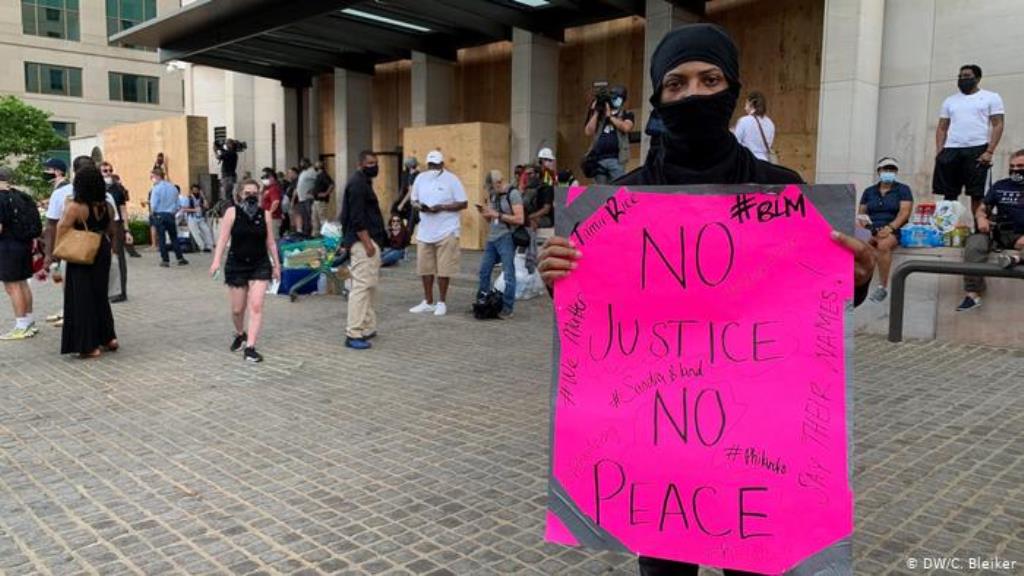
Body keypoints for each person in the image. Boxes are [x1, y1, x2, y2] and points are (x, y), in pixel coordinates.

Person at [538, 24, 877, 576]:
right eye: (676, 84)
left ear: (733, 90)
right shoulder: (619, 202)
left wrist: (856, 277)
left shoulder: (784, 191)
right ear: (659, 99)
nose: (693, 94)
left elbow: (810, 307)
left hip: (758, 452)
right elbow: (594, 319)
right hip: (659, 460)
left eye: (709, 79)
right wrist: (561, 278)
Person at [209, 179, 280, 363]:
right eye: (247, 193)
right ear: (239, 194)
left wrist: (277, 265)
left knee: (256, 306)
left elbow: (270, 241)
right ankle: (240, 334)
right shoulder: (231, 213)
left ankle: (250, 347)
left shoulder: (265, 214)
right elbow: (223, 239)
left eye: (254, 193)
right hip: (237, 264)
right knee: (237, 309)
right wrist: (216, 260)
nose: (251, 196)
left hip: (260, 264)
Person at [56, 166, 118, 358]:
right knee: (100, 295)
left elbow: (62, 228)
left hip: (81, 253)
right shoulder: (107, 206)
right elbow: (111, 229)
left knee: (81, 298)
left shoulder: (76, 207)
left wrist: (56, 256)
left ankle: (89, 345)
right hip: (101, 250)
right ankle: (108, 337)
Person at [956, 149, 1024, 312]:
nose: (1015, 169)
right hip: (999, 232)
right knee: (974, 243)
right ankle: (973, 294)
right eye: (1012, 166)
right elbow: (983, 207)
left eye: (1020, 166)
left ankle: (1016, 259)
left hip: (1021, 235)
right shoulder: (1000, 185)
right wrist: (981, 218)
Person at [933, 64, 1005, 216]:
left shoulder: (991, 97)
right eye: (960, 77)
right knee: (949, 195)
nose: (962, 80)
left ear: (977, 78)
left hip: (977, 149)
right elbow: (941, 127)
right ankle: (948, 231)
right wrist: (940, 151)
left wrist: (989, 151)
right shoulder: (950, 101)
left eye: (966, 76)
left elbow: (998, 124)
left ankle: (979, 232)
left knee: (977, 195)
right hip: (951, 150)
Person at [410, 150, 468, 317]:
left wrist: (441, 207)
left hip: (446, 229)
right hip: (425, 229)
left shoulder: (452, 179)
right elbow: (414, 199)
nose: (433, 167)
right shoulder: (420, 178)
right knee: (424, 267)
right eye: (430, 165)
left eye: (435, 165)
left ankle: (442, 302)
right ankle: (428, 301)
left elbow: (463, 203)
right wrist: (419, 206)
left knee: (444, 268)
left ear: (442, 164)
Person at [339, 151, 386, 350]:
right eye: (370, 163)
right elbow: (356, 217)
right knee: (361, 288)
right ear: (360, 164)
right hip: (363, 242)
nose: (374, 166)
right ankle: (354, 332)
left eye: (376, 163)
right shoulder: (358, 185)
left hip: (368, 240)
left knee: (369, 286)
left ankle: (367, 325)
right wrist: (367, 243)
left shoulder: (363, 182)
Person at [858, 157, 913, 303]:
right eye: (885, 169)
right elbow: (862, 213)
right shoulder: (869, 191)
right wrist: (869, 229)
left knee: (883, 245)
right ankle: (856, 283)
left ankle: (882, 287)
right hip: (871, 227)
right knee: (858, 245)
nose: (888, 172)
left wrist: (890, 228)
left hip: (894, 227)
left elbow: (904, 212)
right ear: (879, 171)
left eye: (892, 170)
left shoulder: (903, 190)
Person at [476, 170, 524, 319]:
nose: (490, 190)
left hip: (506, 237)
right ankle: (483, 301)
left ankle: (507, 307)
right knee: (484, 271)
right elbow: (491, 220)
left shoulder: (513, 194)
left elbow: (520, 219)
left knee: (509, 273)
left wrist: (498, 215)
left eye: (491, 187)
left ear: (498, 183)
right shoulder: (493, 194)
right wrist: (485, 214)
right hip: (492, 237)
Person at [0, 167, 39, 340]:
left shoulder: (1, 198)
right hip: (24, 244)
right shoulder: (23, 196)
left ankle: (21, 325)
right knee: (23, 282)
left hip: (7, 245)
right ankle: (29, 321)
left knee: (12, 285)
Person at [584, 85, 634, 183]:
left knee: (617, 187)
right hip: (599, 159)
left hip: (617, 159)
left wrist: (609, 116)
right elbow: (588, 131)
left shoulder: (626, 114)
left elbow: (626, 127)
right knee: (600, 192)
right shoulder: (600, 115)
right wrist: (596, 112)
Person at [100, 162, 129, 303]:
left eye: (110, 170)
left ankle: (121, 291)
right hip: (101, 225)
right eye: (105, 170)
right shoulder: (96, 187)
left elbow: (123, 210)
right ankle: (106, 289)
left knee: (118, 257)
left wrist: (127, 229)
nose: (108, 172)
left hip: (116, 225)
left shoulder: (117, 189)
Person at [149, 168, 188, 267]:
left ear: (157, 176)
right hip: (170, 215)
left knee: (161, 238)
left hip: (159, 214)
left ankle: (165, 260)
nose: (151, 179)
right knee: (174, 237)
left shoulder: (156, 188)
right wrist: (172, 212)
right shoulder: (173, 187)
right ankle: (180, 258)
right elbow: (178, 204)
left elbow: (153, 205)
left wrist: (152, 214)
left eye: (152, 177)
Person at [733, 91, 776, 162]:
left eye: (746, 103)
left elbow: (735, 143)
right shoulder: (770, 123)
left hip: (748, 162)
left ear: (751, 104)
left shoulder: (744, 120)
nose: (744, 107)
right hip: (764, 162)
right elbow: (769, 144)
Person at [112, 175, 142, 258]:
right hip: (116, 214)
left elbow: (125, 199)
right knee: (121, 233)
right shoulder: (114, 189)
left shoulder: (119, 189)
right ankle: (129, 251)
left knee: (124, 233)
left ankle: (130, 250)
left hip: (119, 214)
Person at [180, 184, 215, 252]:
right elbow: (184, 209)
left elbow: (207, 206)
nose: (195, 191)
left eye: (197, 190)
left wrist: (203, 196)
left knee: (206, 230)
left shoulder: (201, 198)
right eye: (194, 190)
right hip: (192, 218)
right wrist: (194, 210)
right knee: (196, 233)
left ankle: (209, 245)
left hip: (200, 217)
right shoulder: (188, 198)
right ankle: (202, 247)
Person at [392, 157, 421, 232]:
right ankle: (401, 232)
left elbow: (411, 192)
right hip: (408, 201)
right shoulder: (406, 174)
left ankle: (407, 234)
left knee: (412, 215)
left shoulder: (416, 175)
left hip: (413, 201)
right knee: (395, 210)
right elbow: (404, 189)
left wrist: (402, 203)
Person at [311, 161, 335, 236]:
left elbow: (331, 185)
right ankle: (316, 234)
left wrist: (326, 193)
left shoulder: (323, 175)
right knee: (315, 218)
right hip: (316, 200)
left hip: (321, 201)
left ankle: (326, 234)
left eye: (316, 165)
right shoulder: (319, 175)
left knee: (322, 218)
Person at [295, 158, 317, 236]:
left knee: (309, 216)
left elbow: (317, 181)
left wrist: (313, 190)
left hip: (308, 198)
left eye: (302, 163)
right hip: (301, 198)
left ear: (307, 163)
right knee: (304, 216)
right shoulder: (304, 172)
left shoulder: (312, 171)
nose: (301, 165)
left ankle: (309, 232)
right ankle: (305, 232)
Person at [260, 169, 283, 240]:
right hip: (269, 217)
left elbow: (276, 202)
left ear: (272, 177)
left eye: (266, 177)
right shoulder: (268, 188)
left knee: (273, 238)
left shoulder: (274, 189)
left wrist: (270, 213)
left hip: (273, 218)